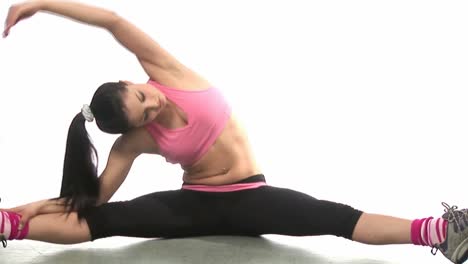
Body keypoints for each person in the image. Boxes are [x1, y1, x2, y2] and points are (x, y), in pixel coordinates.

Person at [1, 1, 467, 263]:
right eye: (144, 115)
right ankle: (9, 226)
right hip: (193, 206)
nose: (153, 104)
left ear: (132, 82)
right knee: (100, 223)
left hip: (250, 197)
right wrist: (26, 211)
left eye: (143, 97)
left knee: (336, 218)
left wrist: (40, 4)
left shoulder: (165, 71)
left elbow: (114, 23)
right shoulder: (132, 143)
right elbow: (94, 200)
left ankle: (441, 232)